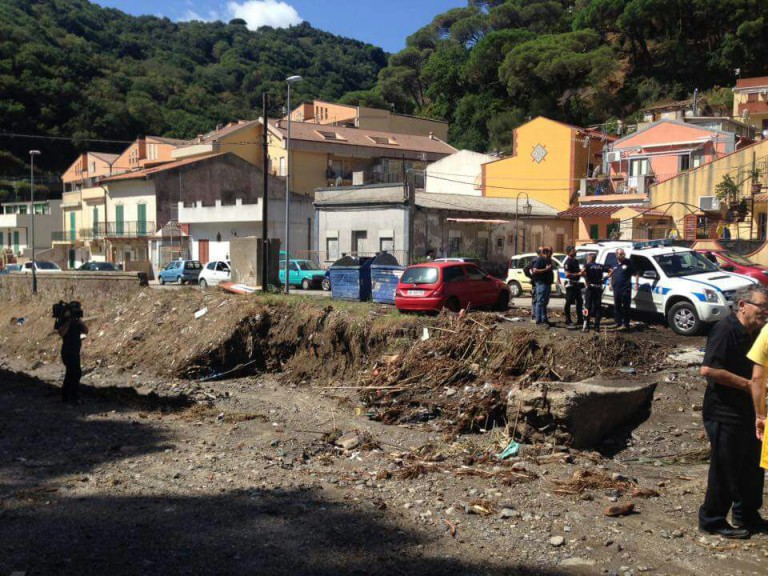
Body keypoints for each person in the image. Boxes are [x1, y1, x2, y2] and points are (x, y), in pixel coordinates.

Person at [699, 285, 768, 538]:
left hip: (751, 412)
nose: (765, 311)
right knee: (725, 466)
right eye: (761, 306)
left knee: (752, 466)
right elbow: (708, 370)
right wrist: (749, 385)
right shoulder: (725, 330)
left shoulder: (758, 332)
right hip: (723, 411)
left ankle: (747, 514)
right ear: (742, 306)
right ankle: (712, 519)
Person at [55, 303, 89, 404]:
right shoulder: (63, 320)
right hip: (67, 351)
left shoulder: (77, 322)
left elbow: (86, 331)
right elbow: (61, 333)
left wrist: (79, 321)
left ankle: (70, 396)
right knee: (72, 373)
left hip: (75, 351)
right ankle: (70, 397)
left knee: (75, 373)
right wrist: (69, 322)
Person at [607, 248, 637, 331]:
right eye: (621, 254)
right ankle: (617, 323)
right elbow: (611, 274)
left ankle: (626, 324)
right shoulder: (613, 263)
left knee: (626, 307)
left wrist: (636, 284)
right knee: (617, 306)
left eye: (623, 254)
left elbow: (636, 273)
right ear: (616, 255)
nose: (623, 255)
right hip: (616, 289)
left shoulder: (629, 262)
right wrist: (610, 283)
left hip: (626, 289)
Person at [583, 252, 606, 332]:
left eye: (587, 258)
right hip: (598, 288)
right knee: (598, 307)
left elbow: (583, 272)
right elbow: (611, 270)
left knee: (587, 307)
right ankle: (597, 326)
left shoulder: (587, 265)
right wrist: (605, 279)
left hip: (590, 288)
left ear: (590, 258)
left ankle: (586, 325)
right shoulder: (600, 266)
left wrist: (586, 280)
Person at [531, 246, 554, 327]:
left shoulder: (548, 260)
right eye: (550, 252)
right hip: (541, 283)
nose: (551, 253)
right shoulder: (540, 259)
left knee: (545, 302)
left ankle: (544, 319)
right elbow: (535, 270)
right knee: (540, 302)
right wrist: (546, 270)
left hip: (547, 283)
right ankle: (538, 320)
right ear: (546, 252)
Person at [562, 245, 584, 326]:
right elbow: (567, 274)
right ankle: (568, 320)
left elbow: (578, 272)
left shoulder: (575, 261)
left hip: (576, 284)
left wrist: (582, 272)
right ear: (569, 252)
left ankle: (580, 319)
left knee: (580, 301)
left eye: (575, 250)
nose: (575, 252)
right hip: (570, 284)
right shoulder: (567, 262)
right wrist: (578, 273)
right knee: (568, 302)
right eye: (573, 250)